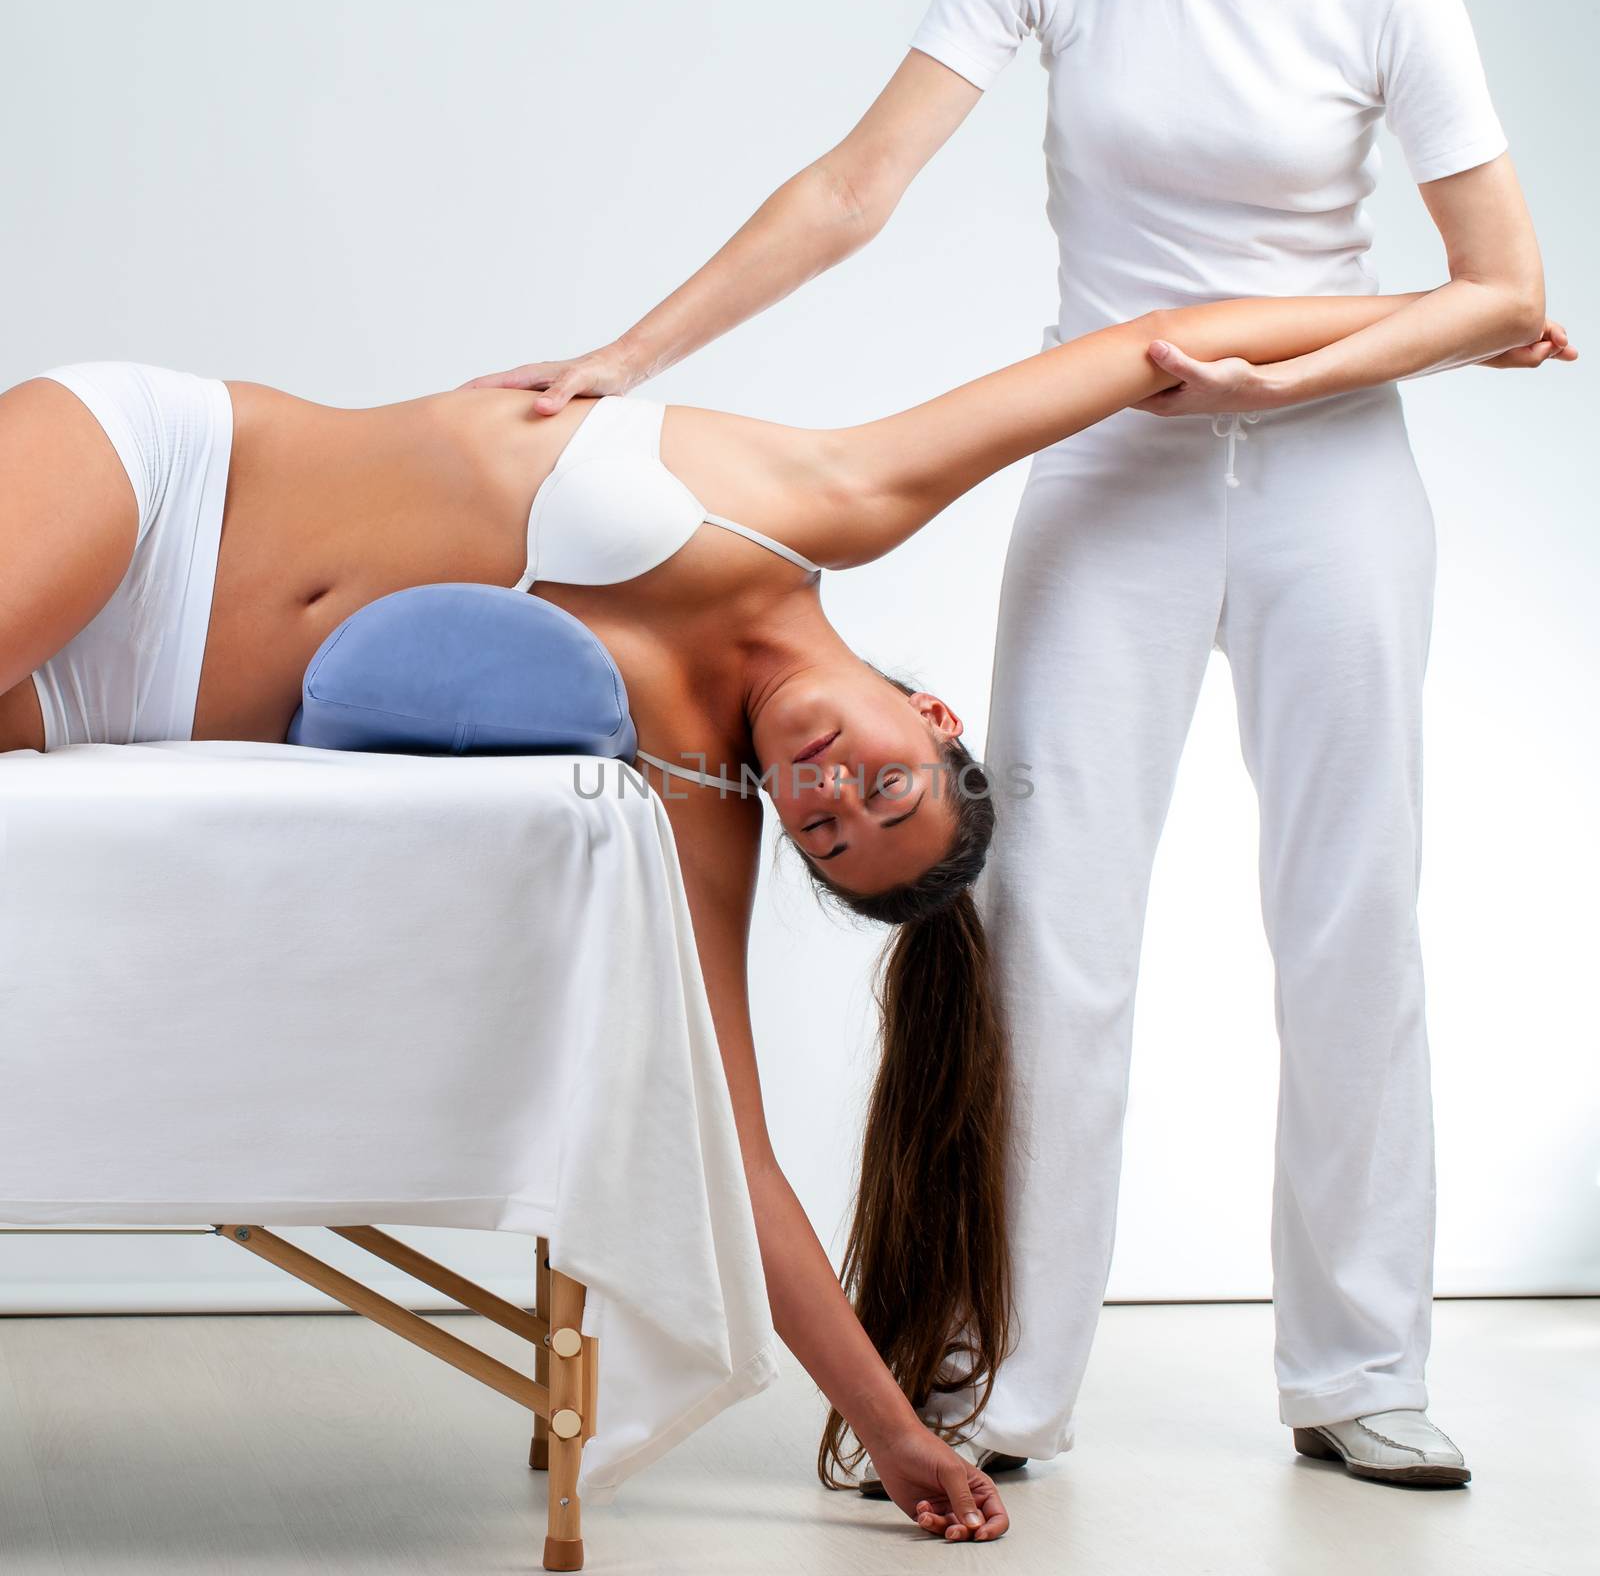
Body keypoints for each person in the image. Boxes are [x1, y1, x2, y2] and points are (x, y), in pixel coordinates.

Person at [5, 289, 1459, 1540]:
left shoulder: (694, 800)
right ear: (933, 711)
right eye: (890, 786)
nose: (836, 793)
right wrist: (1447, 320)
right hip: (155, 489)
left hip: (112, 697)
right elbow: (1152, 342)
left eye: (830, 833)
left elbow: (735, 1153)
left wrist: (892, 1431)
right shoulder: (835, 496)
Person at [465, 0, 1574, 1494]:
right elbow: (857, 186)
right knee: (1047, 925)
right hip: (1108, 476)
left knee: (1352, 917)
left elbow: (1504, 287)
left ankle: (1363, 1370)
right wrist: (632, 357)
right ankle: (1006, 1375)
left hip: (1337, 488)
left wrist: (1290, 375)